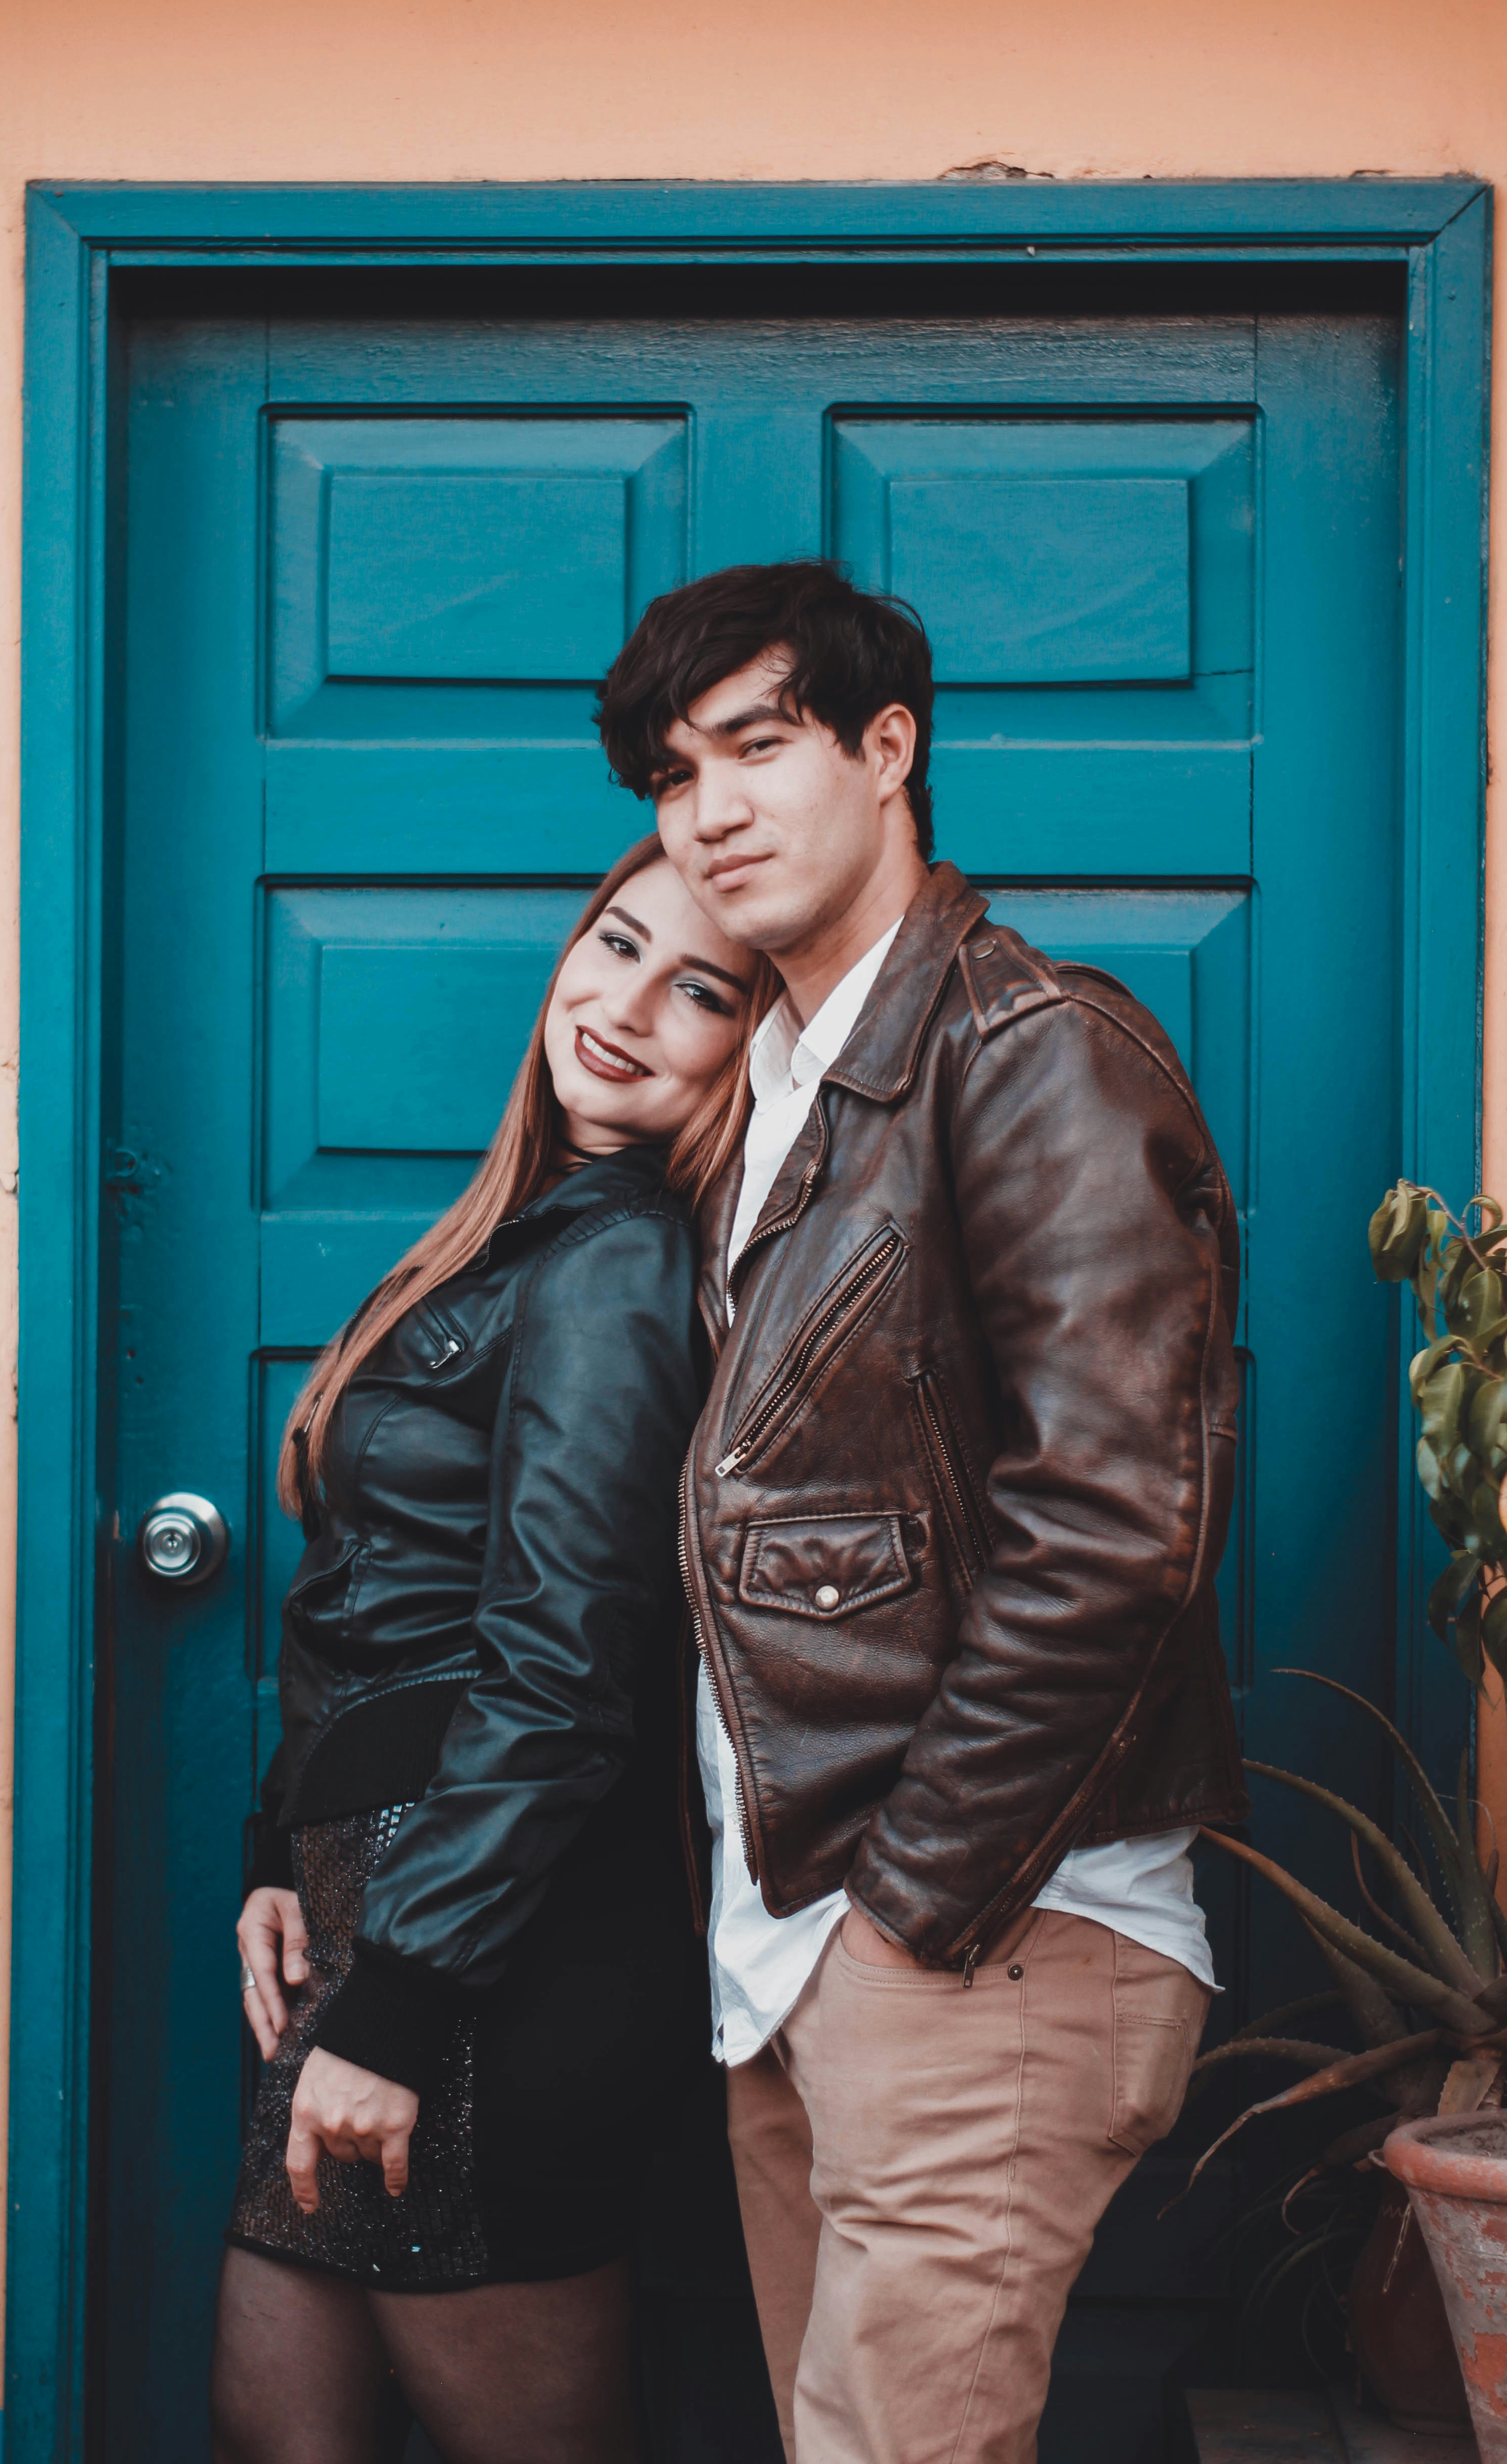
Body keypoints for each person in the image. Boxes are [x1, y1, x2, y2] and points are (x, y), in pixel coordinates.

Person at [597, 562, 1249, 2464]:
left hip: (980, 1935)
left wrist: (907, 1910)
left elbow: (1118, 1518)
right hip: (814, 1941)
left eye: (755, 742)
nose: (705, 806)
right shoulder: (792, 1083)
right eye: (667, 770)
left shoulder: (1023, 1047)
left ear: (890, 751)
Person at [210, 836, 776, 2464]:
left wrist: (394, 2007)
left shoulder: (612, 1259)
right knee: (274, 2431)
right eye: (612, 947)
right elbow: (373, 1600)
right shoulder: (514, 1239)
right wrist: (277, 1849)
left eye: (700, 991)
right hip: (378, 1912)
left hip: (481, 1949)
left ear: (751, 1045)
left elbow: (562, 1669)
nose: (625, 1008)